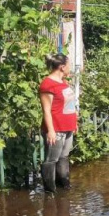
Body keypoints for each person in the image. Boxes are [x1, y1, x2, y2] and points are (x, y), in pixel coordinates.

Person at [39, 53, 78, 193]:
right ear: (62, 67)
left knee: (63, 157)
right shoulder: (47, 85)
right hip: (56, 128)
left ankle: (64, 187)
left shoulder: (63, 83)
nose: (70, 68)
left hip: (68, 127)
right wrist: (50, 130)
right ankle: (50, 192)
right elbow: (46, 110)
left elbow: (69, 105)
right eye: (69, 65)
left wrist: (74, 123)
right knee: (51, 160)